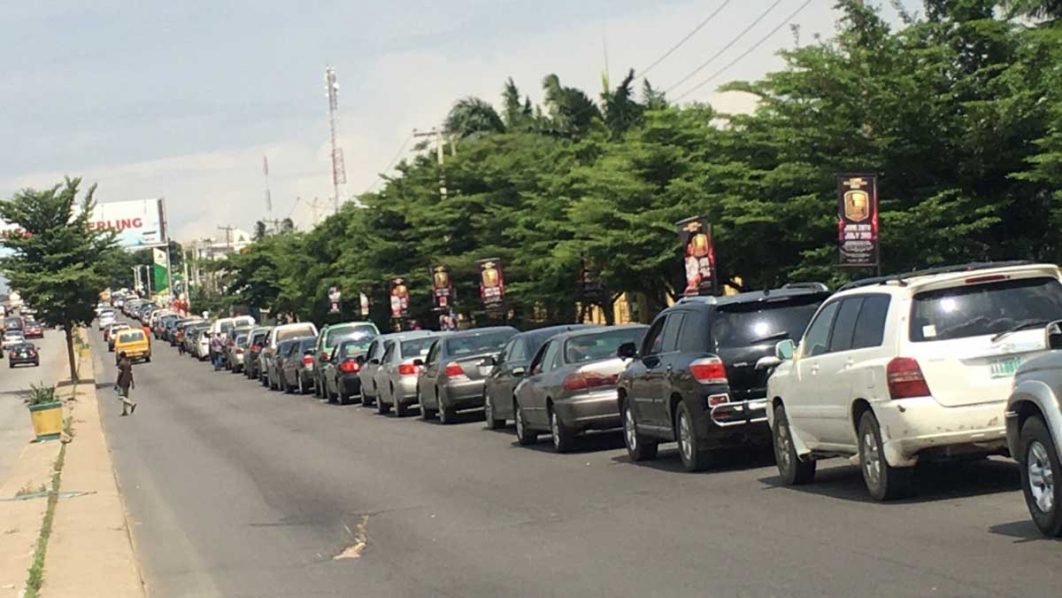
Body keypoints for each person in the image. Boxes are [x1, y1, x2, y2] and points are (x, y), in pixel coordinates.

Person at [116, 352, 136, 416]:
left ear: (121, 356)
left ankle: (132, 403)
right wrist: (132, 382)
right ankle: (125, 411)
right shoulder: (128, 363)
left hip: (122, 381)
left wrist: (117, 382)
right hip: (128, 382)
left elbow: (120, 374)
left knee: (120, 397)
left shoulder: (121, 363)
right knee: (126, 397)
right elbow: (131, 373)